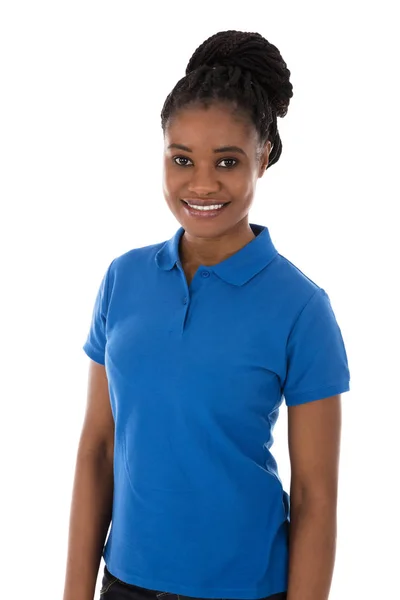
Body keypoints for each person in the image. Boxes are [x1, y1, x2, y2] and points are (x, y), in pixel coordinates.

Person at [63, 30, 350, 600]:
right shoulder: (124, 278)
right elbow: (98, 447)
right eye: (181, 159)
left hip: (246, 589)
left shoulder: (301, 307)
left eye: (227, 161)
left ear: (263, 157)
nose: (201, 183)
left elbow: (316, 497)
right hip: (125, 584)